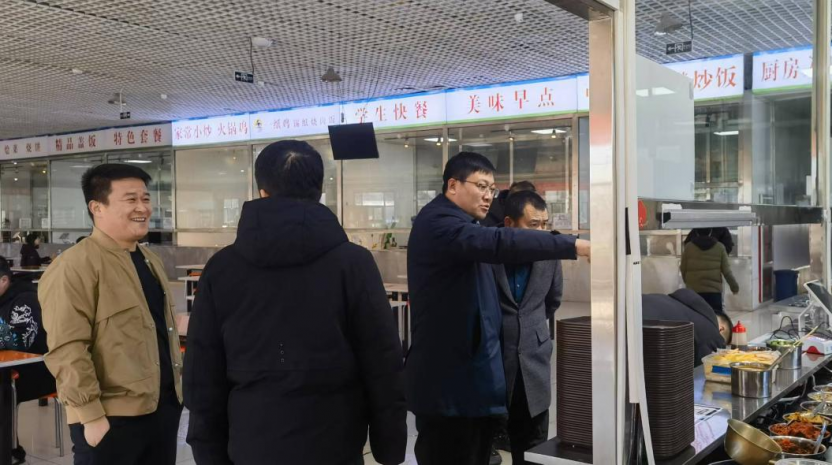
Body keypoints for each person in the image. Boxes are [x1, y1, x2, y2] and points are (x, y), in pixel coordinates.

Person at [183, 140, 406, 465]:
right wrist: (390, 447)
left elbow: (202, 370)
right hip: (335, 442)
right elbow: (382, 359)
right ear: (319, 191)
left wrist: (208, 453)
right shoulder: (353, 263)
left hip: (251, 443)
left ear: (261, 192)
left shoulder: (222, 268)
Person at [406, 152, 590, 465]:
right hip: (449, 389)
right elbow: (499, 242)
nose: (488, 196)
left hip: (468, 385)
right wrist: (574, 244)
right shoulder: (441, 225)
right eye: (481, 186)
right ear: (453, 185)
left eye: (492, 189)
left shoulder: (464, 223)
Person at [40, 164, 183, 465]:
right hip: (110, 418)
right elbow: (67, 348)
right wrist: (91, 416)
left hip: (161, 410)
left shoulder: (150, 260)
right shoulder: (74, 266)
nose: (142, 208)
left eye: (145, 198)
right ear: (97, 208)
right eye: (130, 199)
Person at [492, 191, 563, 465]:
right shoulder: (488, 252)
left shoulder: (550, 254)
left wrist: (530, 328)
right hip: (496, 361)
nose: (542, 231)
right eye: (534, 224)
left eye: (545, 224)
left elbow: (553, 300)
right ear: (509, 223)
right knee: (490, 439)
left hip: (535, 362)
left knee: (534, 446)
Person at [0, 259, 55, 464]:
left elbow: (20, 341)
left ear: (4, 280)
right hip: (10, 368)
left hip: (37, 369)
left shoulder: (26, 300)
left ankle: (8, 452)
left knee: (2, 389)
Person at [642, 289, 733, 365]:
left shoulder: (681, 302)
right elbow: (703, 368)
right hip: (643, 331)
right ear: (721, 329)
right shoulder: (710, 334)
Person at [680, 228, 740, 313]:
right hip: (714, 292)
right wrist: (734, 287)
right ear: (710, 233)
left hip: (693, 291)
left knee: (696, 316)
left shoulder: (688, 247)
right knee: (715, 317)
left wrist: (688, 282)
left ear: (696, 233)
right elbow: (727, 272)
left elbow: (683, 268)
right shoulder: (720, 247)